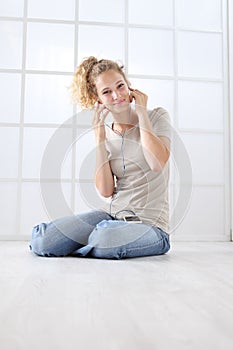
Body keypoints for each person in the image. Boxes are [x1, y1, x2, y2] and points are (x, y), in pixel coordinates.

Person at [29, 56, 171, 259]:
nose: (117, 95)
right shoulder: (105, 133)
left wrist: (142, 114)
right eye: (106, 92)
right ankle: (94, 243)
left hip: (151, 226)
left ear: (129, 86)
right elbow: (106, 191)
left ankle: (92, 242)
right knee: (44, 240)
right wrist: (99, 138)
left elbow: (156, 163)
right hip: (112, 216)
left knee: (105, 236)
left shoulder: (157, 117)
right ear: (98, 100)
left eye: (120, 86)